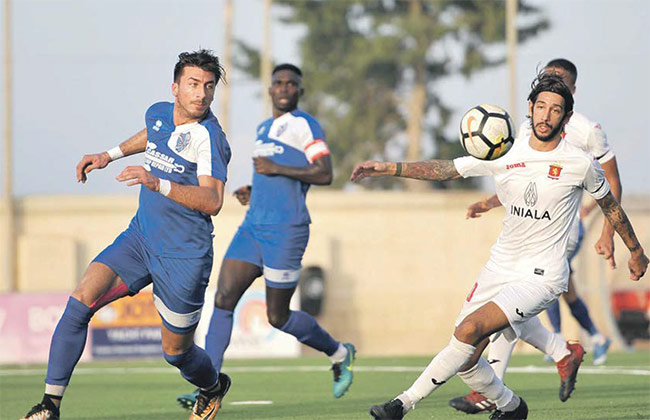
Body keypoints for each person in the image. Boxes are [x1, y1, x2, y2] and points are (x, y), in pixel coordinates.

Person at [350, 72, 647, 420]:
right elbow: (446, 169)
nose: (545, 115)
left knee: (469, 330)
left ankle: (401, 405)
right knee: (466, 360)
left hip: (542, 276)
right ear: (530, 109)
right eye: (540, 107)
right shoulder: (505, 152)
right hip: (500, 266)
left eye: (555, 110)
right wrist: (388, 167)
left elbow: (610, 205)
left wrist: (635, 250)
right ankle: (511, 406)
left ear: (566, 118)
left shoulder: (579, 164)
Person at [20, 49, 232, 420]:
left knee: (177, 354)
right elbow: (154, 134)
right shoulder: (159, 112)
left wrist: (157, 183)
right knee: (80, 301)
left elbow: (213, 200)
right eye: (194, 84)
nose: (201, 94)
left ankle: (213, 386)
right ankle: (49, 406)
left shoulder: (209, 137)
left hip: (184, 255)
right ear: (175, 87)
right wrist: (108, 154)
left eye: (209, 87)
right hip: (140, 239)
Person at [176, 63, 355, 414]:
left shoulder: (305, 125)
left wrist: (277, 170)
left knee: (278, 316)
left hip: (286, 230)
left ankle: (339, 353)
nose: (285, 87)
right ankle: (208, 387)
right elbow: (277, 179)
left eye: (292, 83)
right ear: (270, 90)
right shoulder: (263, 129)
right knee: (224, 298)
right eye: (278, 83)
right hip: (253, 226)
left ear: (299, 91)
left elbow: (325, 172)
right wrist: (255, 190)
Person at [449, 58, 622, 415]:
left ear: (572, 93)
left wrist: (608, 235)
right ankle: (569, 349)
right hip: (529, 226)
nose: (547, 99)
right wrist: (489, 201)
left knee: (520, 294)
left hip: (564, 226)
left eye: (558, 84)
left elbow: (611, 183)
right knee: (529, 297)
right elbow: (522, 181)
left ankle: (496, 384)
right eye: (545, 84)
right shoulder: (531, 125)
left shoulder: (587, 131)